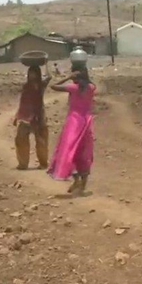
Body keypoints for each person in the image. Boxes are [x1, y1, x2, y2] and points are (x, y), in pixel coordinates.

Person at [48, 66, 96, 195]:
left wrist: (67, 77)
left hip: (74, 122)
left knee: (70, 151)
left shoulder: (73, 88)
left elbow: (53, 86)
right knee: (84, 152)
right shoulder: (91, 88)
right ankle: (82, 184)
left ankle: (76, 181)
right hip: (87, 122)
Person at [13, 64, 51, 170]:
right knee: (20, 140)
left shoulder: (41, 86)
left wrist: (47, 64)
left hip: (39, 116)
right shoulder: (26, 86)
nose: (31, 76)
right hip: (25, 117)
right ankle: (23, 163)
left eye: (34, 74)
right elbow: (23, 102)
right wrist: (18, 115)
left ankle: (43, 163)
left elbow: (49, 77)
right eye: (30, 74)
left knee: (41, 141)